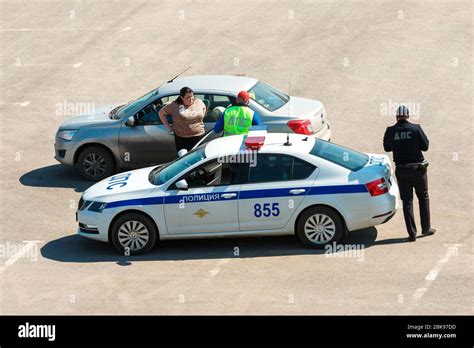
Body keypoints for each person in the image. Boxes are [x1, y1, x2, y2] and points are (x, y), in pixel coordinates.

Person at [383, 105, 436, 241]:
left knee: (407, 201)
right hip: (418, 169)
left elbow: (387, 147)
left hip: (402, 169)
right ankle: (426, 228)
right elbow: (426, 146)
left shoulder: (390, 131)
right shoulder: (416, 128)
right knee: (423, 197)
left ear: (396, 117)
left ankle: (412, 233)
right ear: (408, 116)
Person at [158, 87, 207, 152]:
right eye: (188, 97)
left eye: (192, 96)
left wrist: (200, 118)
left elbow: (204, 108)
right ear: (182, 97)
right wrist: (168, 126)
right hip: (182, 139)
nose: (191, 99)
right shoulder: (175, 105)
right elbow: (161, 113)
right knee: (185, 158)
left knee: (198, 158)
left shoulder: (198, 102)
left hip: (199, 136)